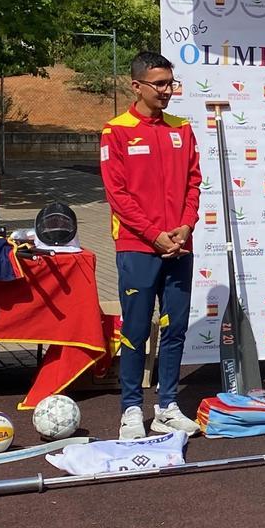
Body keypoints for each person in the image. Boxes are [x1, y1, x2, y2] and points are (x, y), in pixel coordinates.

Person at [100, 51, 202, 440]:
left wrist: (186, 226)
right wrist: (153, 234)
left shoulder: (182, 128)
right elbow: (118, 195)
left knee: (174, 327)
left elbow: (194, 182)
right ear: (137, 85)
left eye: (170, 83)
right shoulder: (116, 131)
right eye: (158, 84)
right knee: (136, 329)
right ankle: (130, 409)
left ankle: (168, 405)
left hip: (179, 246)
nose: (166, 91)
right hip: (138, 247)